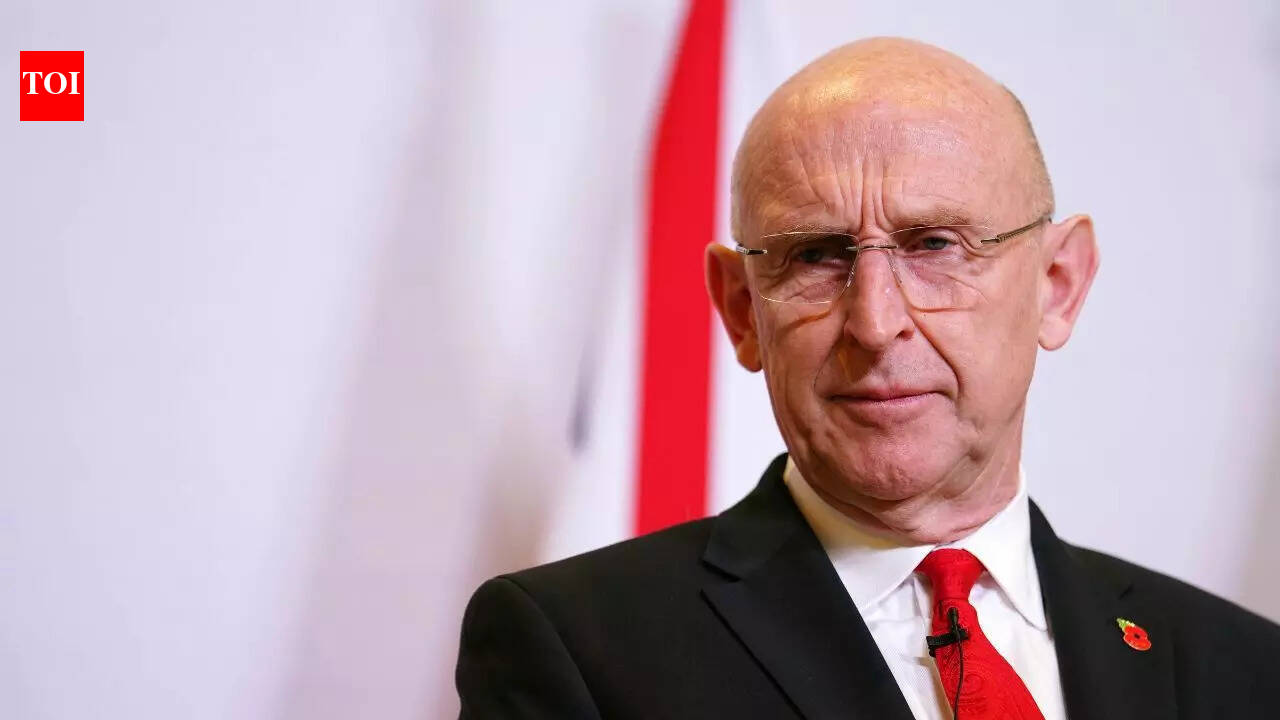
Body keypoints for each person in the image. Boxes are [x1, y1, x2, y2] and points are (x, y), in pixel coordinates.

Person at [454, 37, 1279, 719]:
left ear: (1057, 287)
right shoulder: (579, 650)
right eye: (816, 255)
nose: (876, 323)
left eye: (935, 246)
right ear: (742, 309)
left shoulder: (1243, 669)